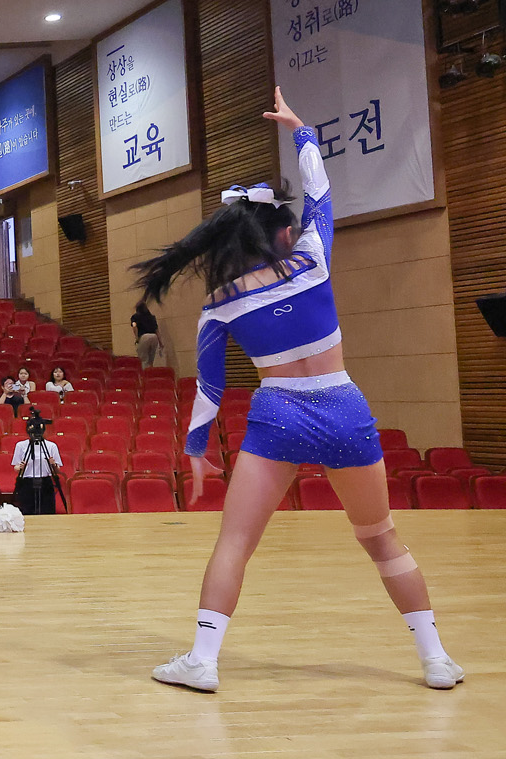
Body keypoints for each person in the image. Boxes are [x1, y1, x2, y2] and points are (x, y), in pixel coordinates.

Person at [138, 88, 459, 692]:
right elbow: (322, 195)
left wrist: (195, 450)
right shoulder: (313, 258)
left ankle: (203, 661)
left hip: (278, 413)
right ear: (281, 233)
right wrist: (302, 131)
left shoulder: (217, 307)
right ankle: (435, 658)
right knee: (381, 537)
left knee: (235, 543)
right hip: (345, 406)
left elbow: (210, 388)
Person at [10, 420, 62, 516]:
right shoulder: (21, 445)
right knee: (27, 510)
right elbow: (16, 467)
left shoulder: (51, 446)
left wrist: (53, 464)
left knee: (47, 511)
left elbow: (58, 470)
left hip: (45, 482)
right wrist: (20, 466)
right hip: (27, 482)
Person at [133, 302, 163, 368]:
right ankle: (151, 373)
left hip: (144, 337)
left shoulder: (135, 317)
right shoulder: (152, 317)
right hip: (154, 337)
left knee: (143, 360)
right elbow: (156, 330)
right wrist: (160, 342)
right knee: (151, 360)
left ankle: (145, 375)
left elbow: (134, 326)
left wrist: (137, 337)